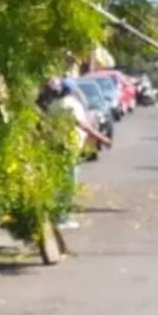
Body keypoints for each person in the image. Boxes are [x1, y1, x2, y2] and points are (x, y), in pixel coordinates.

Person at [50, 77, 112, 229]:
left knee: (62, 182)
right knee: (69, 183)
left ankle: (59, 215)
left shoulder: (54, 104)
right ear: (71, 91)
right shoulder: (69, 105)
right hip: (68, 147)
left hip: (57, 145)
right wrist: (102, 138)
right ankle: (63, 217)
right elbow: (82, 125)